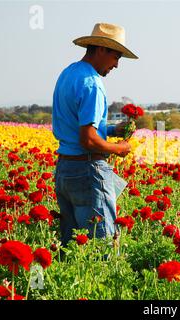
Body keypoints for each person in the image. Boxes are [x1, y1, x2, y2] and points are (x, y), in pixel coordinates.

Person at [52, 22, 138, 248]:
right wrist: (120, 148)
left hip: (65, 170)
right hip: (87, 171)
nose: (117, 65)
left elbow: (75, 126)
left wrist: (110, 130)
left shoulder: (68, 74)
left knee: (71, 246)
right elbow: (88, 140)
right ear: (102, 49)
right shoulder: (92, 84)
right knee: (101, 248)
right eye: (116, 57)